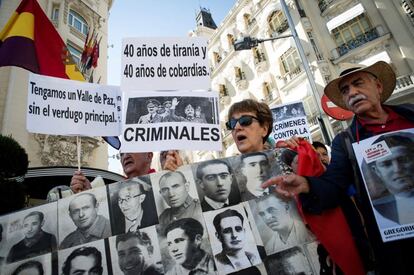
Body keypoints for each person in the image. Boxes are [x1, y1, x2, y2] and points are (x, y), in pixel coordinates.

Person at [263, 61, 414, 274]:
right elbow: (333, 185)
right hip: (396, 249)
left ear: (378, 86)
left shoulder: (410, 115)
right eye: (346, 90)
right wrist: (306, 183)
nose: (352, 92)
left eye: (358, 84)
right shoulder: (345, 142)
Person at [369, 133, 414, 225]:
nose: (397, 169)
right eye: (386, 164)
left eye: (403, 160)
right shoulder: (377, 209)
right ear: (376, 171)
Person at [70, 152, 154, 193]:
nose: (125, 156)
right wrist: (88, 193)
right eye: (121, 154)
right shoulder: (115, 193)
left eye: (130, 149)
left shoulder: (162, 183)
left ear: (149, 156)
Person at [213, 209, 260, 273]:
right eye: (227, 231)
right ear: (218, 236)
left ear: (244, 231)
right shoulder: (213, 263)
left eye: (238, 229)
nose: (234, 235)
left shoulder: (258, 253)